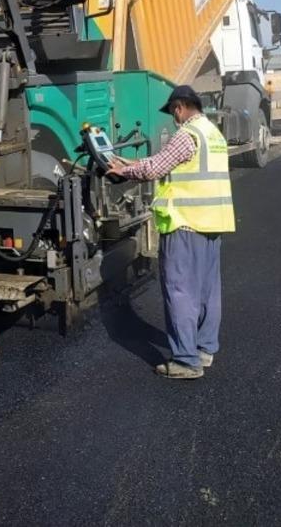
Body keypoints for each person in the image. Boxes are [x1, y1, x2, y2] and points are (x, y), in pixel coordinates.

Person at [107, 85, 235, 380]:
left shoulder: (187, 134)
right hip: (212, 223)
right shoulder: (212, 134)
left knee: (180, 292)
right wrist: (132, 163)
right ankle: (204, 349)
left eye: (173, 113)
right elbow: (167, 163)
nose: (174, 120)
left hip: (185, 224)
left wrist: (124, 171)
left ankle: (186, 361)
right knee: (208, 291)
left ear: (179, 107)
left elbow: (155, 169)